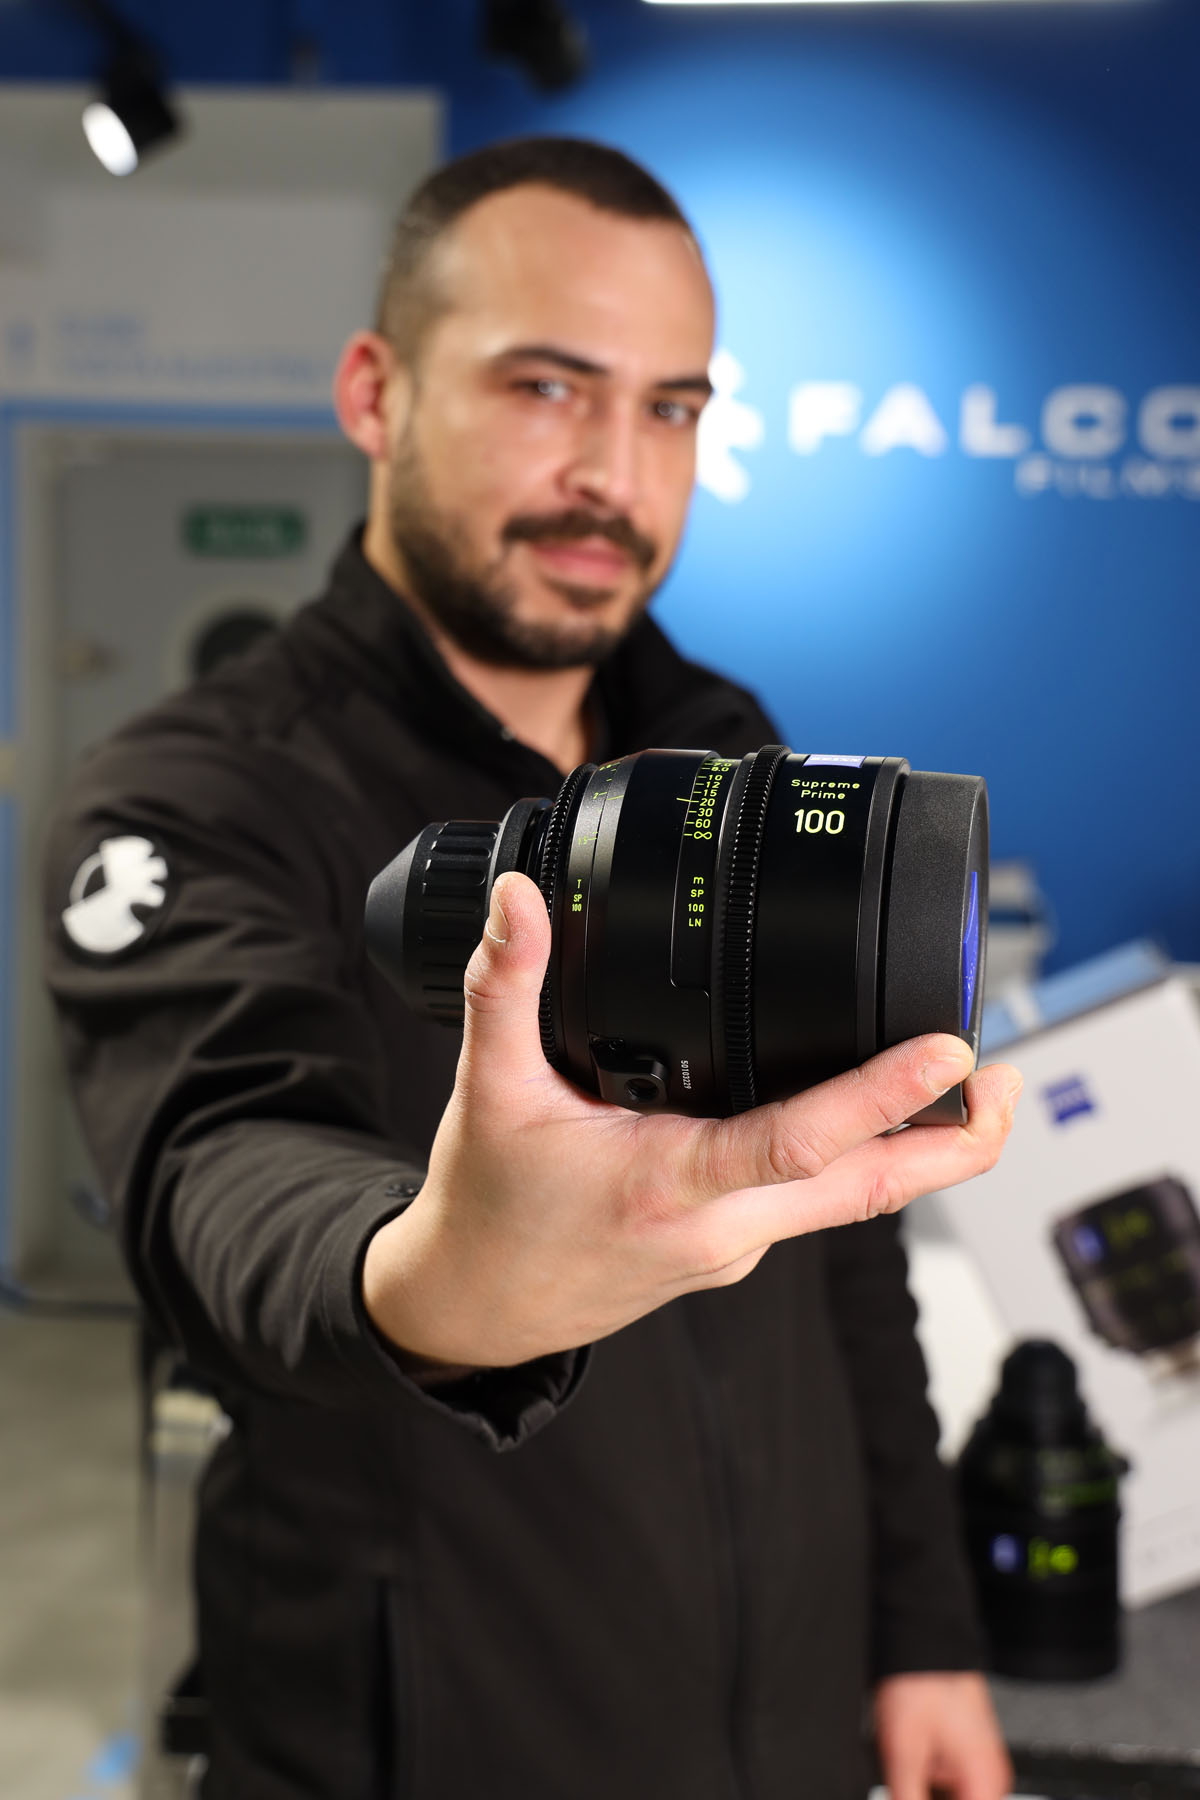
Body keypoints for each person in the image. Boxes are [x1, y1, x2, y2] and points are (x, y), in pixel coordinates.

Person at [43, 138, 1020, 1799]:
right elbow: (223, 1170)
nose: (613, 477)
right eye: (548, 387)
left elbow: (852, 1262)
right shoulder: (194, 794)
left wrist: (922, 1630)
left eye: (671, 409)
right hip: (422, 1739)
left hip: (785, 1729)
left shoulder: (722, 753)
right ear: (378, 393)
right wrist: (447, 1280)